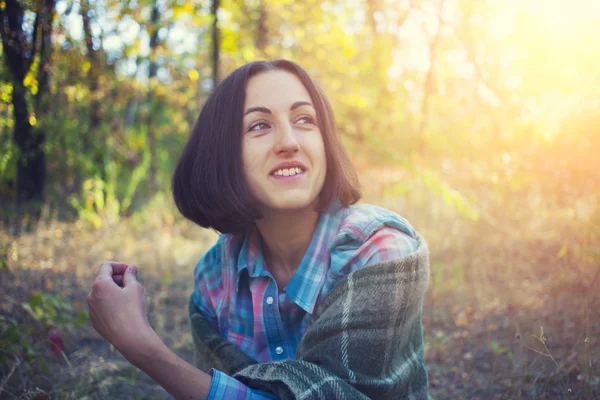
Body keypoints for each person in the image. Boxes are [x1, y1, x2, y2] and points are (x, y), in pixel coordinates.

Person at [87, 59, 430, 399]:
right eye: (259, 126)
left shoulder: (379, 251)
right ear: (225, 154)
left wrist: (142, 346)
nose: (289, 142)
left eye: (304, 120)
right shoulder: (213, 277)